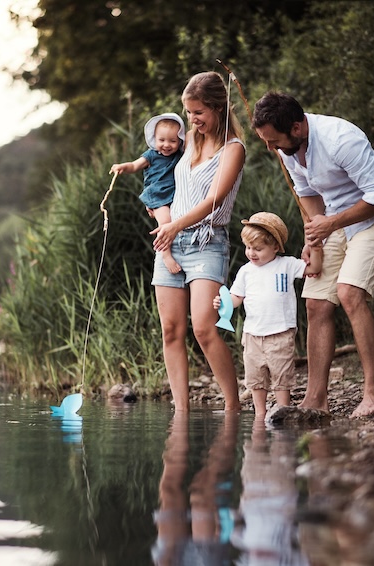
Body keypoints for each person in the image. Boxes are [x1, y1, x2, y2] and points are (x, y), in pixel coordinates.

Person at [252, 92, 374, 418]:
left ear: (296, 127)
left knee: (349, 293)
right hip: (334, 221)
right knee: (316, 302)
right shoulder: (287, 149)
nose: (271, 148)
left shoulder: (340, 139)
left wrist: (330, 223)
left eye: (274, 141)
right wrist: (314, 236)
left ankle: (373, 395)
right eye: (266, 141)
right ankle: (316, 399)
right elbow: (307, 194)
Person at [151, 71, 246, 412]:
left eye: (198, 112)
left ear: (218, 108)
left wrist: (174, 225)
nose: (192, 120)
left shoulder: (234, 149)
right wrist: (163, 219)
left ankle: (233, 406)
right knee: (171, 330)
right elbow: (157, 179)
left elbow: (214, 201)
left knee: (205, 328)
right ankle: (181, 411)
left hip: (208, 242)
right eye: (189, 112)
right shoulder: (187, 139)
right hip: (171, 242)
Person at [213, 211, 322, 418]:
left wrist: (315, 247)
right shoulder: (246, 271)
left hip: (280, 333)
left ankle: (282, 410)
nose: (251, 253)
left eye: (258, 249)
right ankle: (260, 414)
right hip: (253, 334)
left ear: (275, 247)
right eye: (248, 248)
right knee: (255, 377)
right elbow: (236, 297)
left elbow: (314, 268)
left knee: (282, 375)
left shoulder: (287, 264)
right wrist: (223, 302)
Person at [110, 113, 187, 274]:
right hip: (157, 195)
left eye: (172, 141)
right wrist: (123, 167)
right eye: (162, 140)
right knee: (165, 222)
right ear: (154, 139)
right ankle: (165, 254)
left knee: (177, 220)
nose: (166, 145)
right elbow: (134, 165)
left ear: (180, 140)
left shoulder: (180, 156)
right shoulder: (151, 155)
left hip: (175, 195)